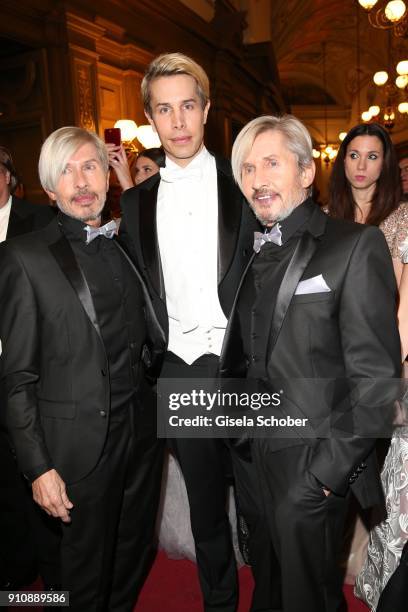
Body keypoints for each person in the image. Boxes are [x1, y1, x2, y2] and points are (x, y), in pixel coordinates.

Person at [219, 114, 401, 612]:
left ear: (305, 172)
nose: (258, 179)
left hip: (313, 460)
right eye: (249, 168)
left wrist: (324, 475)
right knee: (270, 589)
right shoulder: (250, 253)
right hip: (254, 458)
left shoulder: (353, 245)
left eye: (271, 163)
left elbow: (377, 381)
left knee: (310, 599)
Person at [0, 126, 166, 611]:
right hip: (77, 447)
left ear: (106, 176)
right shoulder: (23, 259)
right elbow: (16, 378)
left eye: (90, 166)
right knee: (82, 573)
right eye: (66, 172)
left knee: (134, 553)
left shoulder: (125, 244)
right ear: (50, 189)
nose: (81, 181)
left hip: (141, 436)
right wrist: (37, 468)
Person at [120, 52, 260, 612]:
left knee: (264, 501)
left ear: (205, 110)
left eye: (187, 106)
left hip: (249, 362)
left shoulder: (245, 181)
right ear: (151, 119)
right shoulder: (133, 203)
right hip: (179, 369)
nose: (177, 122)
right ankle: (221, 604)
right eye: (163, 110)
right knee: (205, 510)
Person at [326, 123, 408, 611]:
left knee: (375, 469)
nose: (360, 165)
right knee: (339, 468)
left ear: (386, 164)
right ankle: (333, 564)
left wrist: (391, 371)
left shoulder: (400, 219)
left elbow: (402, 306)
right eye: (352, 154)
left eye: (372, 156)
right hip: (332, 363)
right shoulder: (325, 217)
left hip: (382, 363)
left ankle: (377, 568)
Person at [0, 145, 55, 590]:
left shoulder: (40, 221)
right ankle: (17, 581)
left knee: (39, 473)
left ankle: (56, 580)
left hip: (33, 373)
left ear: (9, 176)